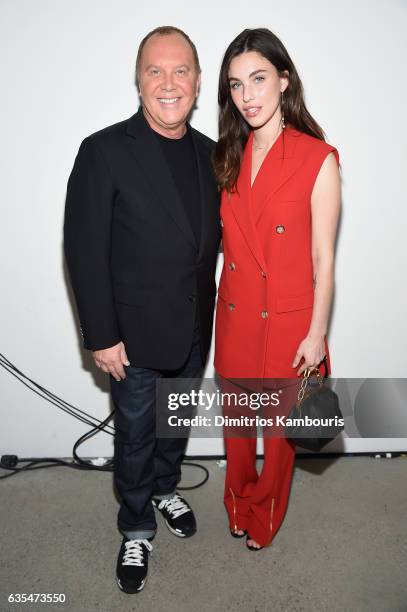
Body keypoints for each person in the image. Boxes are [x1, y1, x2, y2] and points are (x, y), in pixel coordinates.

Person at [63, 26, 220, 593]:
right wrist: (101, 335)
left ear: (198, 83)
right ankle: (135, 524)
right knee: (134, 437)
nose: (169, 83)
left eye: (181, 71)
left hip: (192, 327)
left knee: (174, 425)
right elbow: (83, 249)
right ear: (139, 80)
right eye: (156, 70)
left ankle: (165, 488)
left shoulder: (213, 155)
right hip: (130, 335)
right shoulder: (103, 150)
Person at [213, 28, 341, 550]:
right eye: (236, 85)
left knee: (279, 442)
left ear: (284, 80)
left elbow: (324, 260)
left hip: (290, 325)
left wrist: (317, 335)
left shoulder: (318, 158)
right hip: (236, 317)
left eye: (259, 79)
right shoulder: (226, 157)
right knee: (238, 435)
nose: (248, 96)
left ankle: (263, 516)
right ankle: (236, 503)